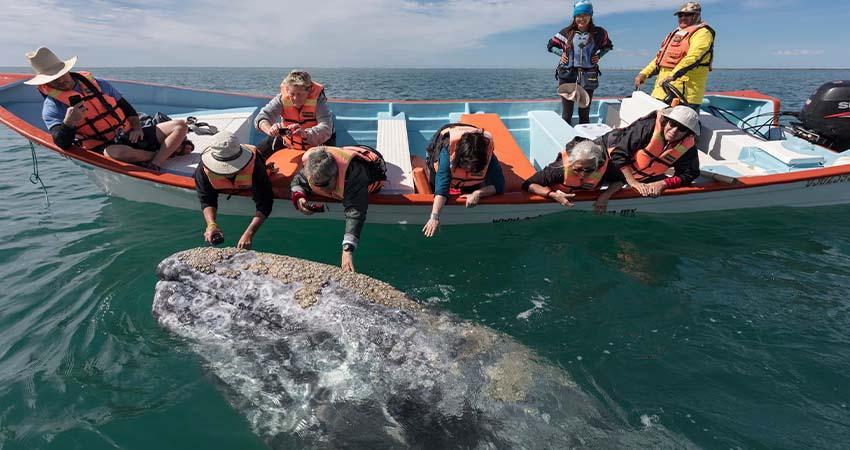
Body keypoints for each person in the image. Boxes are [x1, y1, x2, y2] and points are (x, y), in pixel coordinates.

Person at [25, 47, 190, 170]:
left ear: (68, 70)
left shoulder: (98, 84)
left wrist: (137, 128)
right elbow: (62, 143)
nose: (61, 81)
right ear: (45, 83)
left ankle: (157, 161)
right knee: (115, 154)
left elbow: (126, 108)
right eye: (54, 79)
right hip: (107, 145)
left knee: (180, 125)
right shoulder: (52, 106)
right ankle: (166, 152)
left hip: (129, 134)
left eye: (62, 74)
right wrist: (68, 123)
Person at [290, 145, 387, 272]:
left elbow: (355, 211)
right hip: (343, 151)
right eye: (315, 184)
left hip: (370, 157)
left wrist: (347, 251)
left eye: (324, 184)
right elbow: (297, 181)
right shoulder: (312, 169)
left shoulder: (354, 173)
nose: (320, 188)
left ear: (336, 174)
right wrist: (299, 198)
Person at [422, 124, 505, 237]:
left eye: (473, 169)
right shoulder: (447, 152)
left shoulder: (487, 155)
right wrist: (434, 216)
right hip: (446, 135)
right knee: (435, 183)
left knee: (473, 189)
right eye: (467, 166)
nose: (469, 170)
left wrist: (478, 193)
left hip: (473, 137)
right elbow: (442, 186)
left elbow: (499, 185)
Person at [195, 131, 273, 250]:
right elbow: (206, 198)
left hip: (259, 158)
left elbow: (265, 202)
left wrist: (249, 233)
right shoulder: (202, 169)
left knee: (272, 141)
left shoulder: (255, 164)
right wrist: (211, 224)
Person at [634, 2, 715, 110]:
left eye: (687, 15)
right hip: (660, 92)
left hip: (684, 95)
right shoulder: (676, 34)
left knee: (677, 125)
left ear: (697, 15)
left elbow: (693, 57)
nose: (683, 18)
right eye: (680, 15)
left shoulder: (703, 33)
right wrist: (644, 73)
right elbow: (660, 59)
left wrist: (673, 75)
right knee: (655, 123)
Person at [608, 105, 701, 197]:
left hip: (637, 177)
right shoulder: (646, 127)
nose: (674, 130)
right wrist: (633, 182)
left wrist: (664, 183)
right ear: (666, 121)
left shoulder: (687, 146)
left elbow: (690, 173)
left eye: (682, 129)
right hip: (608, 164)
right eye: (672, 124)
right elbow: (618, 154)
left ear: (688, 133)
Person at [547, 0, 613, 125]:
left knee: (584, 113)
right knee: (567, 114)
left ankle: (583, 141)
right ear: (574, 17)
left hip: (588, 77)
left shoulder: (599, 33)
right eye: (578, 16)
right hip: (567, 76)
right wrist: (561, 54)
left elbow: (608, 46)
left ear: (590, 16)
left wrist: (599, 56)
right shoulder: (565, 32)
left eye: (585, 15)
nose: (581, 19)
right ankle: (566, 141)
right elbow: (550, 45)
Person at [522, 140, 625, 214]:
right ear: (571, 164)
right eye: (577, 169)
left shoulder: (605, 167)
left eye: (589, 170)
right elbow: (528, 184)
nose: (583, 174)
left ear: (597, 164)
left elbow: (620, 181)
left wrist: (605, 196)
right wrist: (553, 195)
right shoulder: (559, 170)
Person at [255, 70, 335, 158]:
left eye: (300, 94)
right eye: (292, 94)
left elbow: (326, 128)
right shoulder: (281, 99)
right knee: (255, 156)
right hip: (288, 139)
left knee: (323, 167)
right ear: (287, 90)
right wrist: (270, 129)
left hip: (317, 141)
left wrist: (305, 134)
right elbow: (261, 117)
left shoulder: (319, 101)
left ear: (308, 91)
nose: (295, 98)